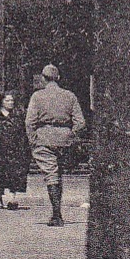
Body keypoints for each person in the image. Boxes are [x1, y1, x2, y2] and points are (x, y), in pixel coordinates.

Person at [25, 63, 86, 227]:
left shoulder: (37, 96)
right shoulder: (70, 96)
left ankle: (57, 214)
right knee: (58, 175)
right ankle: (56, 212)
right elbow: (80, 122)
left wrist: (33, 141)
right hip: (65, 140)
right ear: (58, 78)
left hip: (44, 139)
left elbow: (30, 122)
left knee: (51, 176)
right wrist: (71, 135)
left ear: (44, 79)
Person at [0, 91, 31, 211]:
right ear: (1, 102)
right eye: (7, 100)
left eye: (11, 100)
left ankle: (12, 198)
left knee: (14, 174)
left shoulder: (18, 115)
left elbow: (23, 133)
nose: (10, 103)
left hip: (14, 149)